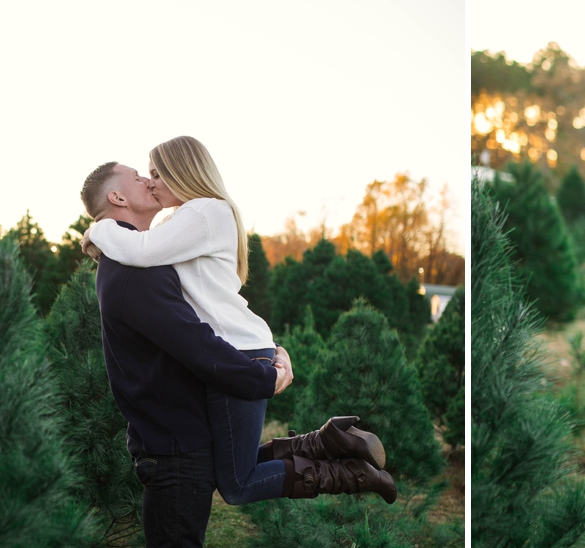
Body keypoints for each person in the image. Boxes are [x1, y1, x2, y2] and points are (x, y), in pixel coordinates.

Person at [80, 159, 388, 548]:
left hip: (180, 429)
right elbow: (196, 344)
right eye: (139, 179)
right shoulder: (132, 271)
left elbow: (212, 317)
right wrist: (262, 379)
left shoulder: (138, 257)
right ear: (117, 197)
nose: (151, 184)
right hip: (171, 439)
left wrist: (266, 351)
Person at [86, 137, 394, 507]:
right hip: (236, 346)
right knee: (231, 469)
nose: (151, 182)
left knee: (237, 485)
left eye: (155, 174)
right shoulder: (188, 217)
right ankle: (324, 442)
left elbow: (142, 251)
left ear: (181, 171)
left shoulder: (205, 212)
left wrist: (97, 230)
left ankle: (354, 475)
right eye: (145, 176)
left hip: (238, 349)